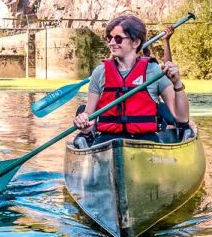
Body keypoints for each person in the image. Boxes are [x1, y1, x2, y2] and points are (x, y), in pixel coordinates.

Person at [73, 14, 190, 146]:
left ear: (136, 42)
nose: (111, 43)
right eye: (109, 38)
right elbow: (89, 117)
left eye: (118, 39)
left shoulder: (155, 72)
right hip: (108, 142)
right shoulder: (99, 73)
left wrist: (177, 83)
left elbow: (182, 117)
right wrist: (84, 122)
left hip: (146, 141)